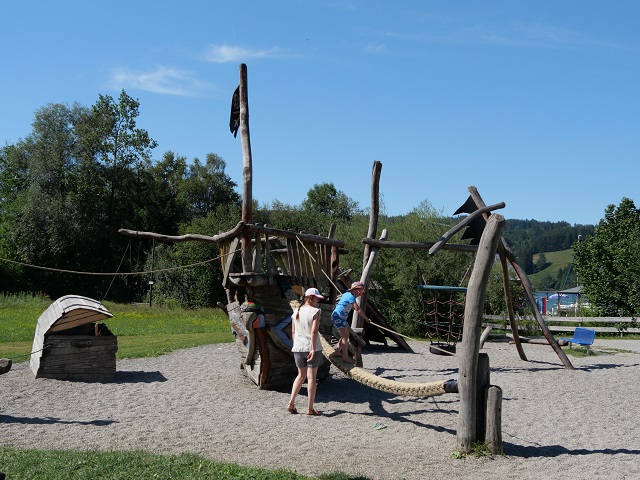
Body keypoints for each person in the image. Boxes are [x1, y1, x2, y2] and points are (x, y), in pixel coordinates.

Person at [287, 287, 325, 416]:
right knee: (311, 378)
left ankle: (291, 403)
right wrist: (313, 349)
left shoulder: (296, 311)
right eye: (316, 299)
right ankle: (309, 408)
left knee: (300, 375)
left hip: (298, 347)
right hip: (311, 348)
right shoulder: (315, 311)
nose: (317, 301)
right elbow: (314, 331)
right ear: (310, 298)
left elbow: (293, 331)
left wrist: (296, 344)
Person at [330, 281, 371, 364]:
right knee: (345, 337)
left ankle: (338, 351)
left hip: (339, 317)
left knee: (345, 335)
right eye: (362, 291)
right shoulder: (351, 297)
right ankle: (345, 357)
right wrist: (366, 318)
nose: (362, 293)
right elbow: (357, 309)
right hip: (339, 317)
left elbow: (347, 306)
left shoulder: (347, 295)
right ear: (357, 290)